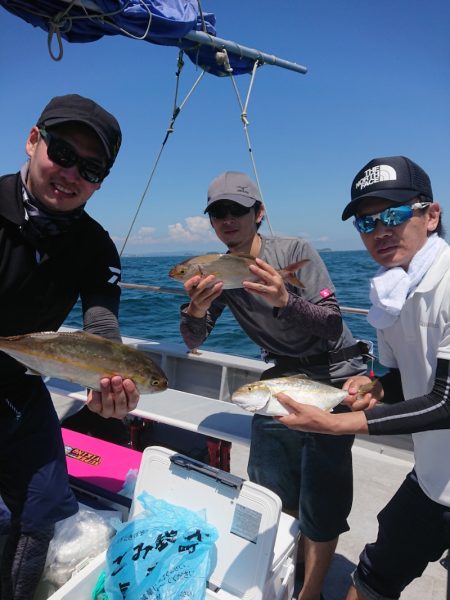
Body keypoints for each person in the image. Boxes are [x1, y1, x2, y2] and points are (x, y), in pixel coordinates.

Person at [178, 170, 368, 600]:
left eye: (237, 209)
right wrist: (194, 309)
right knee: (270, 487)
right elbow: (193, 340)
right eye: (218, 212)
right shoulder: (217, 270)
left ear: (258, 213)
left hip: (332, 373)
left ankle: (311, 592)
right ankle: (284, 566)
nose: (227, 219)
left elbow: (333, 321)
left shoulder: (294, 250)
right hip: (281, 374)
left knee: (323, 494)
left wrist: (285, 300)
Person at [275, 156, 450, 599]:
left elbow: (446, 402)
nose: (380, 230)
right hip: (433, 477)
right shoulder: (391, 294)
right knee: (371, 579)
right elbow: (398, 378)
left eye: (394, 214)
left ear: (431, 215)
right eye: (366, 222)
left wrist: (335, 423)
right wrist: (373, 387)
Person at [0, 94, 140, 600]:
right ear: (33, 140)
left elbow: (101, 323)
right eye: (61, 151)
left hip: (21, 384)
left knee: (43, 508)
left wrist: (109, 383)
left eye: (91, 167)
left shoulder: (94, 244)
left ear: (101, 180)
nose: (71, 173)